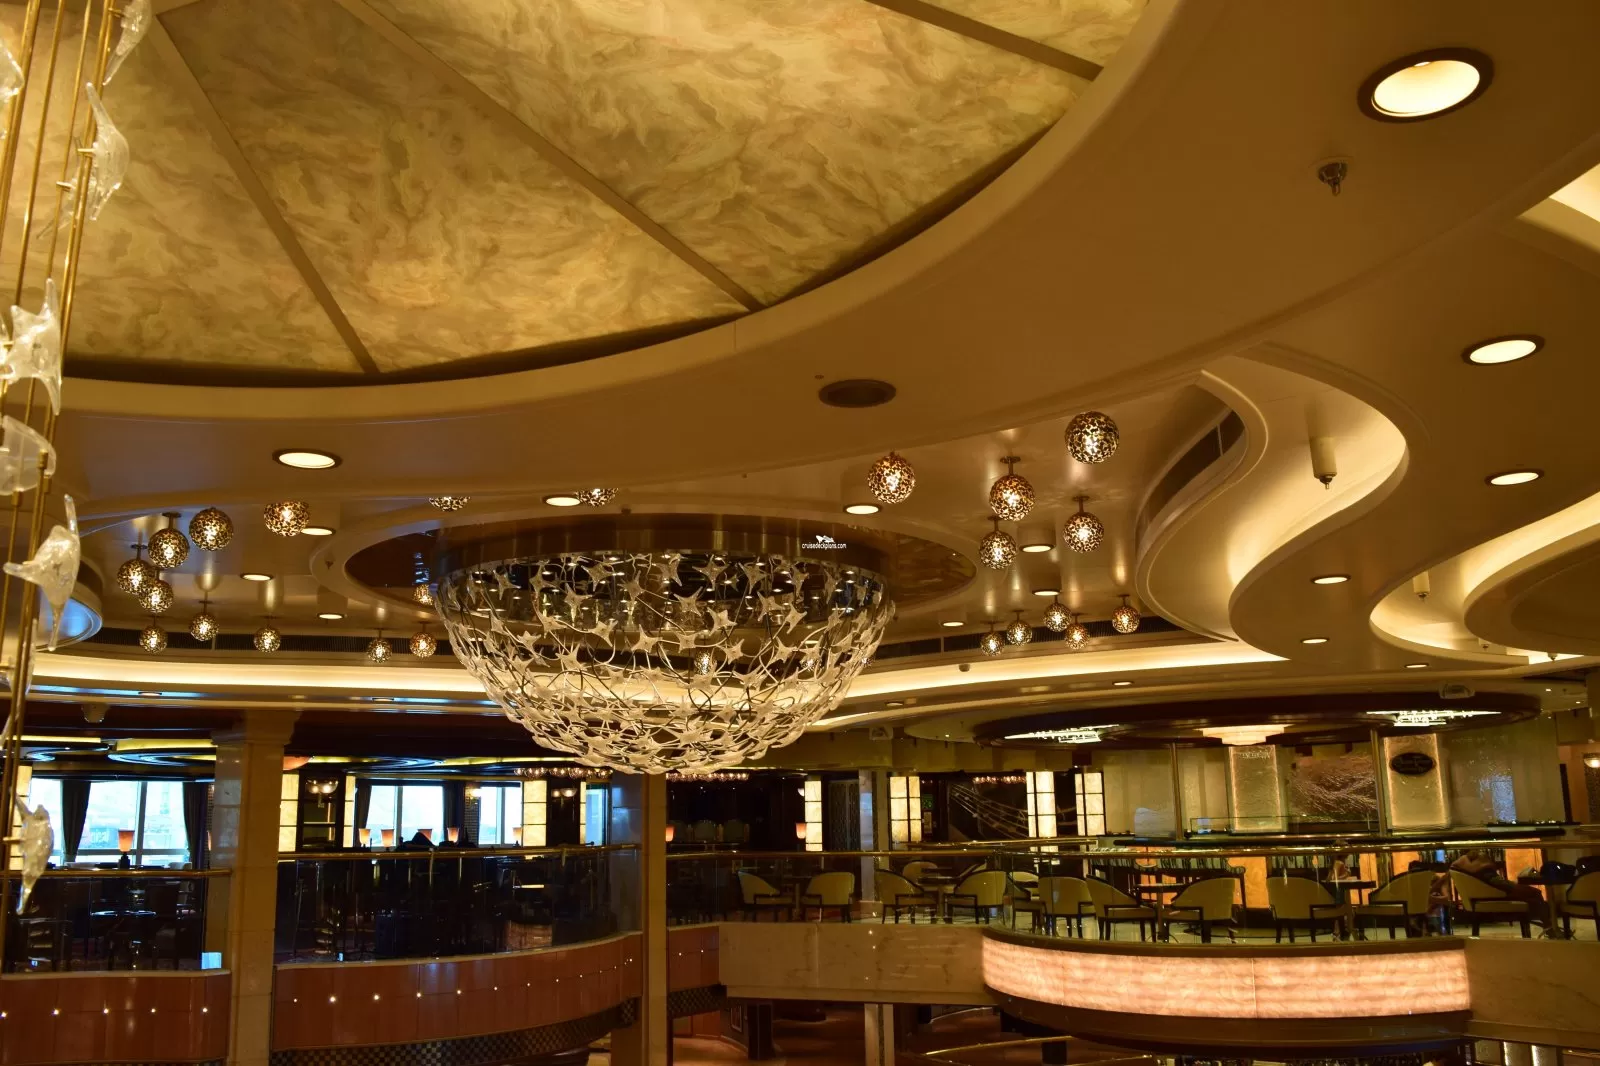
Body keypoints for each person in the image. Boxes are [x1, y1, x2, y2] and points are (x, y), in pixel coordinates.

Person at [1450, 850, 1547, 924]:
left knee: (1532, 897)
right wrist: (1515, 884)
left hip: (1497, 890)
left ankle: (1541, 922)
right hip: (1501, 891)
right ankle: (1546, 924)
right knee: (1535, 893)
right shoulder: (1481, 869)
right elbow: (1501, 884)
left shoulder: (1472, 872)